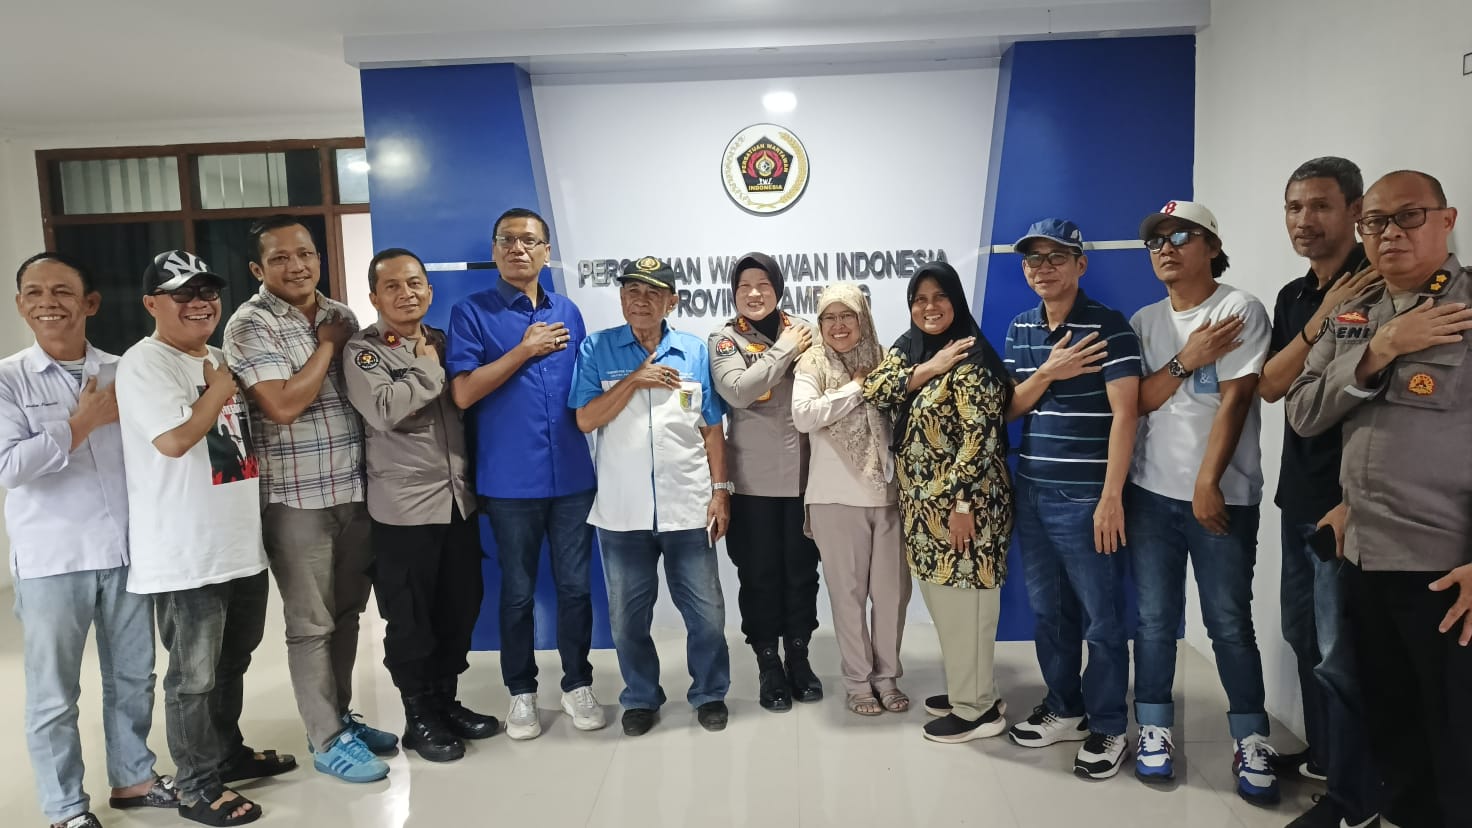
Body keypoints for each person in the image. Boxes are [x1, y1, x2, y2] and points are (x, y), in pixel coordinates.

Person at [1287, 169, 1472, 828]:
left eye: (1408, 216)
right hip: (1365, 557)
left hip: (1445, 568)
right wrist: (1378, 350)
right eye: (1375, 222)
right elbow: (1303, 410)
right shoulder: (1356, 312)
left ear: (1446, 220)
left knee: (1457, 743)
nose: (1390, 233)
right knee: (1395, 733)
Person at [1, 253, 176, 828]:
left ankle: (134, 779)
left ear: (90, 303)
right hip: (53, 559)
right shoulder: (7, 379)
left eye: (62, 291)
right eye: (34, 292)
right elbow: (8, 467)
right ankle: (65, 808)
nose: (48, 302)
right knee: (54, 692)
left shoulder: (125, 370)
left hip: (128, 551)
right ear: (20, 305)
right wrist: (81, 423)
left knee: (133, 676)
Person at [116, 250, 286, 826]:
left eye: (207, 292)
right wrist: (218, 389)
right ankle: (195, 786)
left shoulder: (215, 358)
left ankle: (226, 755)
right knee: (193, 679)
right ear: (151, 304)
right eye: (182, 294)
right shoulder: (145, 363)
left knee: (233, 660)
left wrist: (219, 380)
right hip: (187, 553)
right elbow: (173, 441)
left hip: (237, 543)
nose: (199, 303)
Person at [222, 216, 393, 783]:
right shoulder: (250, 324)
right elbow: (282, 405)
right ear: (258, 268)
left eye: (305, 254)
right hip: (295, 498)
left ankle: (340, 719)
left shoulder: (340, 314)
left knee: (347, 614)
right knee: (311, 623)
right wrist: (326, 347)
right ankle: (325, 739)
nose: (296, 266)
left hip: (355, 490)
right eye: (280, 258)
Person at [1126, 200, 1278, 803]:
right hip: (1151, 495)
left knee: (1228, 623)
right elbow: (1141, 400)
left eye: (1180, 236)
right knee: (1154, 621)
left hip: (1222, 498)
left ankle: (1252, 738)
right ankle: (1154, 729)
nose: (1166, 248)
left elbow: (1237, 398)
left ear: (1212, 246)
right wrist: (1187, 359)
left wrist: (1207, 482)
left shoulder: (1239, 308)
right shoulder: (1145, 320)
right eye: (1156, 241)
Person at [1257, 157, 1382, 828]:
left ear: (1355, 211)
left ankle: (1356, 798)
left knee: (1342, 653)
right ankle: (1328, 758)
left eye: (1320, 206)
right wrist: (1322, 318)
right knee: (1303, 635)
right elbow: (1272, 385)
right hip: (1299, 494)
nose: (1304, 220)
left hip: (1351, 503)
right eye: (1294, 207)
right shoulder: (1294, 295)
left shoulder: (1381, 285)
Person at [446, 208, 602, 740]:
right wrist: (524, 350)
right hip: (511, 481)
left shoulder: (568, 311)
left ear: (546, 251)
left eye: (530, 241)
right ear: (494, 250)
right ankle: (521, 691)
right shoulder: (472, 312)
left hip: (573, 478)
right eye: (508, 240)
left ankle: (578, 683)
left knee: (575, 588)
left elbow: (585, 389)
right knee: (517, 593)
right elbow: (463, 393)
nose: (519, 249)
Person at [343, 249, 500, 763]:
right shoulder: (364, 351)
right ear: (374, 297)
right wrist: (429, 371)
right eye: (392, 286)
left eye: (414, 283)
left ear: (429, 290)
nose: (406, 294)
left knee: (460, 606)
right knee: (411, 618)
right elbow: (384, 409)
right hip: (405, 510)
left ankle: (445, 701)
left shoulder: (444, 341)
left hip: (458, 503)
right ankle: (418, 715)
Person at [1001, 219, 1141, 780]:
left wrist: (1111, 497)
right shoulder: (1020, 328)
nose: (1043, 268)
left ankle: (1109, 725)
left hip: (1087, 498)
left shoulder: (1110, 327)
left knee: (1102, 619)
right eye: (1033, 259)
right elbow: (1010, 407)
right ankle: (1065, 708)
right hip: (1032, 491)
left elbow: (1127, 414)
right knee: (1049, 612)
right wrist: (1050, 372)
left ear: (1080, 264)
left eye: (1055, 258)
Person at [569, 256, 731, 737]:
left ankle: (709, 693)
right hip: (622, 513)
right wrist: (634, 380)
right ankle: (640, 696)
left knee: (707, 614)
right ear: (621, 299)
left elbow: (712, 429)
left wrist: (720, 492)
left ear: (671, 301)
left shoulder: (693, 351)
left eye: (651, 293)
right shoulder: (597, 348)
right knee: (627, 619)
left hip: (688, 505)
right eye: (631, 292)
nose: (640, 301)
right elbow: (586, 419)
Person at [862, 261, 1014, 744]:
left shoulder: (972, 358)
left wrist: (961, 504)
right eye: (919, 299)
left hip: (965, 508)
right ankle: (974, 691)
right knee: (948, 606)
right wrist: (928, 368)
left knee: (967, 606)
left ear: (956, 301)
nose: (929, 307)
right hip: (923, 509)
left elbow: (980, 440)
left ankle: (977, 711)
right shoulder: (911, 349)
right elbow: (875, 390)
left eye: (939, 297)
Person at [709, 252, 823, 712]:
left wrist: (793, 343)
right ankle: (768, 662)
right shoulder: (725, 338)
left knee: (802, 574)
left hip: (807, 481)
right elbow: (738, 390)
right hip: (752, 484)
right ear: (734, 294)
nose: (754, 293)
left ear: (778, 288)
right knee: (758, 576)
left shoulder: (807, 329)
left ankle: (799, 655)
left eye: (763, 285)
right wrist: (785, 349)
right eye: (744, 286)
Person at [791, 284, 909, 717]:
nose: (838, 326)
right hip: (835, 498)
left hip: (888, 495)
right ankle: (859, 682)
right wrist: (856, 388)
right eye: (829, 317)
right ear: (819, 323)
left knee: (892, 595)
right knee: (849, 596)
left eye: (848, 316)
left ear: (863, 318)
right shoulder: (813, 362)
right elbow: (804, 415)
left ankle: (887, 676)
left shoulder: (885, 359)